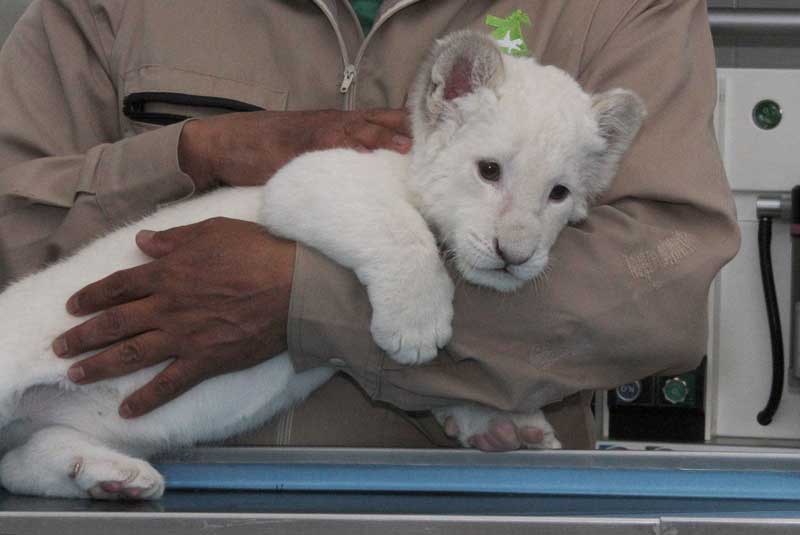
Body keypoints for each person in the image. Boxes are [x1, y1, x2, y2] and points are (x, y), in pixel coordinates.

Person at [0, 0, 738, 451]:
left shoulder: (618, 7)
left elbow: (663, 287)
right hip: (139, 489)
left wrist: (308, 299)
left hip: (469, 511)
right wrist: (196, 151)